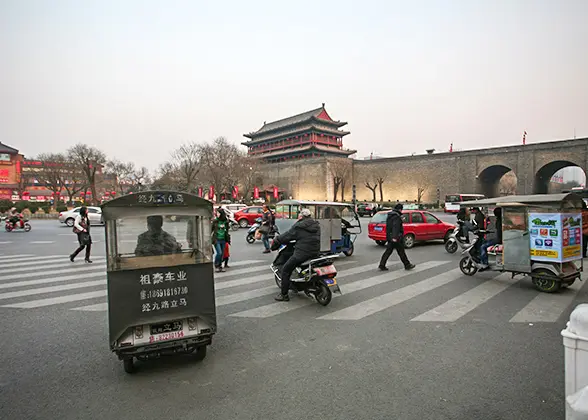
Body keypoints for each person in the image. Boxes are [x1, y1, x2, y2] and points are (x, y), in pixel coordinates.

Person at [270, 208, 320, 302]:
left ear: (301, 216)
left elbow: (287, 236)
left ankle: (284, 295)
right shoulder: (316, 225)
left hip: (302, 254)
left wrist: (277, 240)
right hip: (315, 252)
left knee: (285, 269)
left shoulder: (299, 226)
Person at [378, 203, 415, 271]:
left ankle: (382, 264)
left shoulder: (390, 215)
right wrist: (395, 237)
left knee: (388, 251)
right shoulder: (396, 216)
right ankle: (407, 265)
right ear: (400, 209)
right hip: (396, 238)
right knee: (401, 252)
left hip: (390, 236)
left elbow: (389, 227)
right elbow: (396, 227)